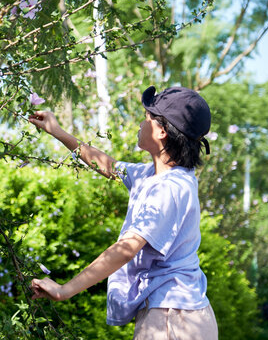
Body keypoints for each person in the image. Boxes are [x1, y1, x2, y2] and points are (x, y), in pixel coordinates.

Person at [28, 86, 218, 339]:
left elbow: (127, 249)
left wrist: (65, 290)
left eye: (148, 117)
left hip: (173, 319)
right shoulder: (153, 176)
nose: (141, 122)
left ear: (162, 131)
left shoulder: (169, 189)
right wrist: (58, 132)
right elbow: (109, 166)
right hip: (175, 312)